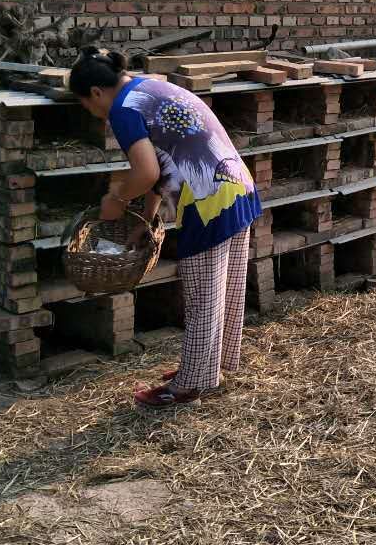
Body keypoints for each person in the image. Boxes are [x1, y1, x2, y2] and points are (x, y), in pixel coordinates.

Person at [68, 46, 262, 408]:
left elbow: (146, 172)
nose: (93, 113)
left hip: (206, 201)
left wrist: (117, 201)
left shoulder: (124, 110)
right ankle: (212, 365)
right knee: (227, 284)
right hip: (236, 184)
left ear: (96, 93)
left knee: (204, 292)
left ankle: (190, 386)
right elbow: (163, 158)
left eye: (86, 105)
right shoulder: (149, 88)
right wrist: (147, 216)